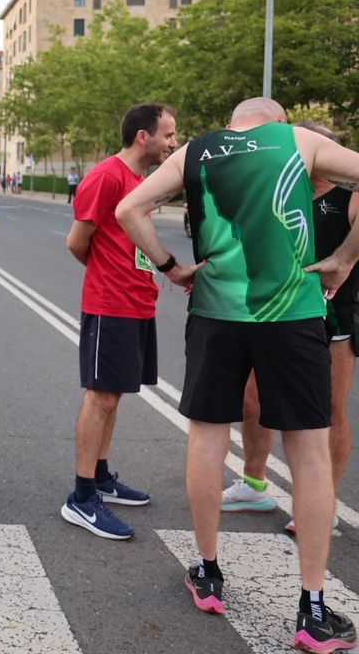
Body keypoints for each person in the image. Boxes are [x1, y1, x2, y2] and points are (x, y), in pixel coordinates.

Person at [116, 96, 359, 652]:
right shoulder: (300, 141)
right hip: (294, 315)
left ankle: (207, 572)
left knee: (207, 437)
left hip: (216, 312)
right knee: (309, 452)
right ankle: (313, 609)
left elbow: (129, 210)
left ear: (233, 122)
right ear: (276, 121)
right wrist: (345, 257)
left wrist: (172, 268)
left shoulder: (198, 151)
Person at [221, 122, 359, 534]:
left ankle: (322, 504)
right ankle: (253, 483)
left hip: (332, 314)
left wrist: (345, 259)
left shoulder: (346, 191)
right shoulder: (282, 185)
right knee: (252, 400)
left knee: (328, 409)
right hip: (277, 311)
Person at [60, 103, 178, 541]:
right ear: (143, 136)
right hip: (110, 304)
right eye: (168, 134)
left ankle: (102, 475)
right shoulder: (107, 177)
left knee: (114, 397)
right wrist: (109, 273)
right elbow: (78, 242)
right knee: (100, 397)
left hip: (135, 304)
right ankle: (81, 496)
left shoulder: (137, 182)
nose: (173, 142)